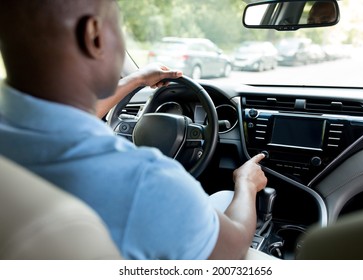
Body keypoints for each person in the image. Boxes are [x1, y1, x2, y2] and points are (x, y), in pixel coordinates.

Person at [0, 0, 268, 259]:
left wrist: (137, 79)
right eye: (120, 27)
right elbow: (231, 250)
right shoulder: (147, 182)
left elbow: (66, 115)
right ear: (94, 35)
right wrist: (246, 184)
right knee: (226, 198)